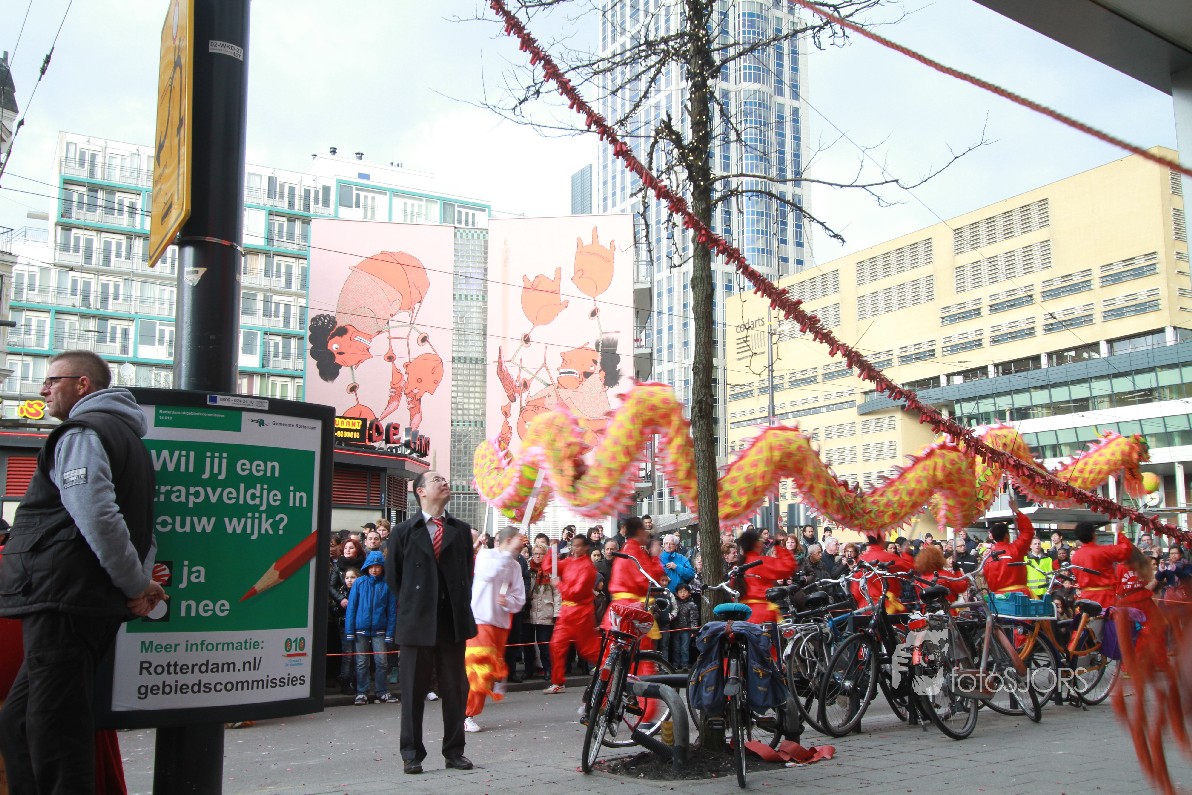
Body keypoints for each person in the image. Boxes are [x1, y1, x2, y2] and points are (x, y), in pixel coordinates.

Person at [0, 351, 165, 793]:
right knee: (19, 721)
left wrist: (135, 584)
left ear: (83, 385)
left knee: (55, 730)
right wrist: (138, 582)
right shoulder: (129, 441)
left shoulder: (83, 432)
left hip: (64, 597)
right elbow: (144, 529)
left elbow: (97, 513)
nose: (43, 390)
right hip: (76, 597)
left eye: (51, 380)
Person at [387, 471, 478, 774]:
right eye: (436, 479)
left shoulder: (460, 530)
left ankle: (454, 751)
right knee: (413, 691)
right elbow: (394, 577)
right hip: (416, 622)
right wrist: (416, 603)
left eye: (444, 479)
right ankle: (411, 753)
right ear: (421, 491)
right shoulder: (403, 531)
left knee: (455, 689)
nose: (444, 482)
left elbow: (466, 573)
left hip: (451, 620)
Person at [464, 527, 527, 732]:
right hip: (480, 621)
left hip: (500, 625)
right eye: (514, 543)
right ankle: (466, 714)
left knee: (489, 672)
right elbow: (490, 573)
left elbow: (519, 598)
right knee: (480, 670)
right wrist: (507, 553)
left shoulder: (515, 566)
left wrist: (508, 601)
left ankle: (495, 680)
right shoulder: (486, 555)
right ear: (505, 541)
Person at [545, 535, 600, 694]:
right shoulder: (569, 561)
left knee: (589, 650)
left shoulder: (588, 567)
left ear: (585, 547)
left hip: (581, 613)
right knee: (556, 645)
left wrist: (559, 585)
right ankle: (558, 682)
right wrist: (552, 551)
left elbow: (576, 592)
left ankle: (612, 669)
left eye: (578, 545)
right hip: (566, 612)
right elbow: (549, 568)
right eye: (573, 545)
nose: (574, 548)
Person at [345, 551, 398, 705]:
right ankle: (362, 692)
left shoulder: (387, 584)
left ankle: (382, 691)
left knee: (382, 662)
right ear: (367, 566)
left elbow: (392, 611)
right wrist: (349, 631)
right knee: (361, 662)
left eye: (378, 566)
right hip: (360, 629)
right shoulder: (359, 583)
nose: (374, 569)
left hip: (380, 629)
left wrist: (390, 632)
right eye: (372, 566)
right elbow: (351, 608)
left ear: (382, 567)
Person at [735, 529, 796, 624]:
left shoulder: (738, 564)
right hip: (762, 613)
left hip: (742, 613)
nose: (762, 543)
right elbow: (788, 567)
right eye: (760, 540)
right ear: (756, 544)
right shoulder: (760, 562)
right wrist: (778, 546)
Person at [1069, 522, 1133, 611]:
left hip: (1086, 597)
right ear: (1093, 534)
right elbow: (1126, 550)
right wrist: (1119, 533)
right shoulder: (1103, 551)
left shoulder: (1076, 556)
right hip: (1105, 597)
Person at [526, 545, 560, 680]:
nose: (537, 556)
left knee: (544, 644)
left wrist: (557, 613)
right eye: (535, 553)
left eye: (540, 554)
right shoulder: (528, 569)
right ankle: (529, 670)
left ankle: (548, 670)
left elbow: (557, 594)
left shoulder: (552, 571)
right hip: (529, 611)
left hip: (546, 611)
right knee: (528, 645)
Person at [983, 511, 1035, 597]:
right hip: (1020, 595)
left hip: (998, 597)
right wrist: (1017, 512)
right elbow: (1028, 531)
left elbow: (988, 580)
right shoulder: (1016, 548)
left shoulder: (988, 556)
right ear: (1007, 535)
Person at [671, 584, 700, 670]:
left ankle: (685, 664)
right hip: (675, 629)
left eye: (685, 591)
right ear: (677, 593)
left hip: (686, 630)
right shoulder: (674, 603)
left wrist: (694, 630)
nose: (683, 594)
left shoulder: (692, 604)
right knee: (676, 648)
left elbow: (694, 618)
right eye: (680, 592)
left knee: (685, 648)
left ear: (689, 593)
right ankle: (675, 664)